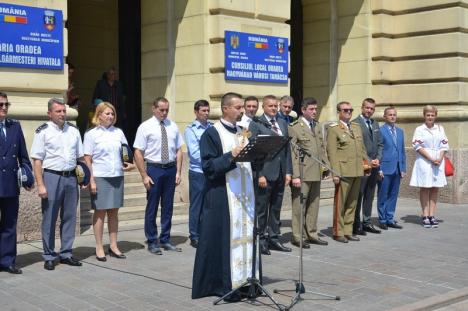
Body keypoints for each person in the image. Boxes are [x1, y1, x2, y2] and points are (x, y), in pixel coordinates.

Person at [192, 92, 255, 301]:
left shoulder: (242, 132)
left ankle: (246, 281)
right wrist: (231, 156)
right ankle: (226, 284)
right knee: (224, 240)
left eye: (242, 107)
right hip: (223, 196)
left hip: (244, 196)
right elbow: (208, 167)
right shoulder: (212, 134)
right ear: (225, 108)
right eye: (238, 107)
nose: (242, 111)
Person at [31, 98, 84, 270]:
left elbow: (80, 158)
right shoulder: (43, 131)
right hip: (52, 177)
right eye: (58, 111)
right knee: (50, 217)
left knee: (69, 217)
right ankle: (48, 255)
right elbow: (37, 160)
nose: (62, 114)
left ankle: (66, 253)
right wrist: (40, 185)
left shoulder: (74, 130)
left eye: (64, 111)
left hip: (71, 178)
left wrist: (83, 178)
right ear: (49, 113)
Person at [83, 102, 135, 261]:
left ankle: (113, 245)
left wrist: (129, 164)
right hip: (100, 176)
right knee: (100, 212)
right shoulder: (91, 134)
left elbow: (125, 153)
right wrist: (91, 180)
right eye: (107, 113)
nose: (111, 116)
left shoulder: (118, 132)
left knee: (114, 212)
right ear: (98, 115)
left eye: (112, 114)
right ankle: (99, 246)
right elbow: (87, 159)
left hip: (116, 176)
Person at [134, 97, 184, 254]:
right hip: (154, 168)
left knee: (168, 206)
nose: (164, 113)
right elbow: (138, 152)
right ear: (153, 109)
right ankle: (152, 240)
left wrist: (178, 171)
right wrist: (143, 175)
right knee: (152, 206)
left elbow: (178, 150)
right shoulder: (145, 127)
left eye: (166, 110)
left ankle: (166, 239)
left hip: (170, 169)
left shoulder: (173, 126)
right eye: (161, 110)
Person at [249, 95, 292, 255]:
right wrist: (259, 174)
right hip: (265, 174)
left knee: (275, 209)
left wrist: (288, 171)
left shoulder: (281, 123)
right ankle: (260, 240)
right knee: (261, 210)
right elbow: (254, 153)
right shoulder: (256, 124)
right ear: (264, 107)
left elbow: (287, 150)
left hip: (280, 173)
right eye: (270, 106)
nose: (274, 108)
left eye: (276, 105)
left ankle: (274, 238)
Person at [289, 98, 329, 248]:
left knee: (314, 205)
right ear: (303, 110)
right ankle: (297, 236)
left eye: (315, 109)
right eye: (311, 109)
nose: (314, 112)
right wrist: (295, 176)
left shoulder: (317, 126)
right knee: (299, 207)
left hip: (316, 172)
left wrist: (326, 167)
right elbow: (293, 154)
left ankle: (312, 233)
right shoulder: (294, 127)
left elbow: (322, 149)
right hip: (303, 173)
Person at [0, 92, 33, 274]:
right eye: (1, 105)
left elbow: (24, 157)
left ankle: (8, 261)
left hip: (11, 184)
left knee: (9, 225)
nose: (4, 108)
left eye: (6, 104)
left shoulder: (15, 127)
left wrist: (28, 176)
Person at [327, 101, 369, 243]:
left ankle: (348, 230)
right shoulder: (333, 129)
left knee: (352, 203)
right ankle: (338, 232)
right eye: (345, 110)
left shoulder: (356, 127)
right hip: (343, 172)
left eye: (350, 110)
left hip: (357, 170)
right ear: (339, 112)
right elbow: (332, 153)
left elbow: (362, 149)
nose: (349, 112)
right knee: (341, 203)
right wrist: (335, 173)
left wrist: (367, 165)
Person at [409, 105, 449, 228]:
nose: (430, 117)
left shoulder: (440, 129)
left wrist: (440, 158)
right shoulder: (419, 129)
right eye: (428, 115)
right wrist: (431, 158)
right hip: (425, 161)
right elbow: (417, 146)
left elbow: (444, 145)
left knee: (435, 188)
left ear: (435, 116)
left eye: (432, 115)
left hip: (438, 161)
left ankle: (432, 214)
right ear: (424, 116)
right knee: (425, 187)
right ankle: (425, 215)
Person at [352, 98, 383, 236]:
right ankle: (356, 223)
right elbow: (357, 146)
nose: (369, 111)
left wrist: (378, 159)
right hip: (362, 165)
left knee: (370, 195)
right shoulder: (354, 124)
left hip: (374, 166)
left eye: (372, 109)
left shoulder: (375, 123)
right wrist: (369, 161)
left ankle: (367, 221)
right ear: (362, 108)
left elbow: (380, 144)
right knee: (359, 195)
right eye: (367, 108)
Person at [184, 100, 212, 248]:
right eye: (203, 111)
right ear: (196, 112)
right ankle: (194, 235)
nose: (206, 113)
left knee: (209, 204)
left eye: (208, 110)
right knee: (197, 205)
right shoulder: (191, 130)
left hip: (211, 171)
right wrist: (212, 160)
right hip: (198, 172)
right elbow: (195, 153)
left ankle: (206, 232)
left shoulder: (212, 127)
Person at [377, 107, 406, 230]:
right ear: (385, 117)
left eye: (394, 115)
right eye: (390, 115)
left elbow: (402, 151)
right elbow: (378, 151)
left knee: (393, 195)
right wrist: (379, 169)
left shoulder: (400, 131)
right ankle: (382, 219)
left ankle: (390, 218)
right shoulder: (380, 131)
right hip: (385, 168)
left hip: (397, 168)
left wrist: (403, 167)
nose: (393, 117)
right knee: (383, 194)